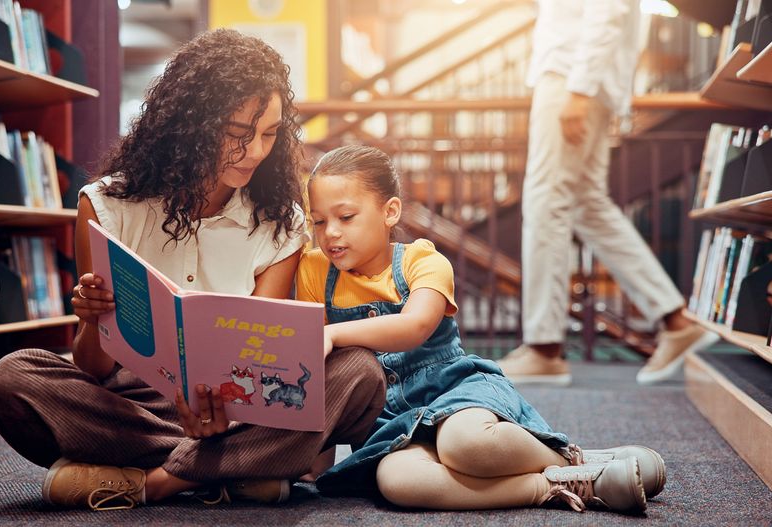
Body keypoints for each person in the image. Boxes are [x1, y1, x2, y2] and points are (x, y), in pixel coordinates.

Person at [0, 29, 386, 511]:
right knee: (14, 379)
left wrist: (227, 414)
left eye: (269, 134)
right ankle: (243, 469)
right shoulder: (108, 206)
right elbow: (93, 368)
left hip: (241, 409)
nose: (256, 152)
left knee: (360, 373)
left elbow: (264, 365)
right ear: (190, 124)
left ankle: (156, 482)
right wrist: (92, 320)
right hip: (136, 406)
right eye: (238, 134)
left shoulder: (280, 223)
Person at [297, 145, 664, 514]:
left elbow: (413, 326)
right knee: (397, 481)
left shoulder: (422, 260)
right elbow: (323, 375)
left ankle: (571, 459)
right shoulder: (314, 271)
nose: (331, 233)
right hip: (388, 424)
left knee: (466, 445)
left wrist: (332, 334)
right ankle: (558, 484)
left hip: (453, 392)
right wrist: (315, 456)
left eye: (346, 217)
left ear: (390, 211)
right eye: (319, 222)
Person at [499, 0, 718, 386]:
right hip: (582, 78)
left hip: (571, 77)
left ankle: (544, 349)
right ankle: (674, 319)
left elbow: (606, 9)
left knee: (546, 202)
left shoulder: (576, 80)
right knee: (586, 204)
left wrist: (579, 89)